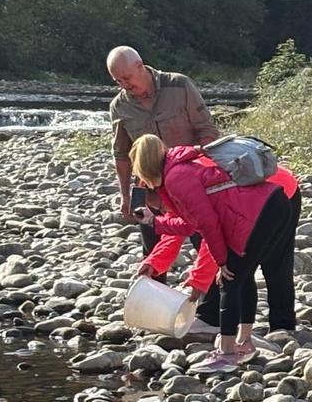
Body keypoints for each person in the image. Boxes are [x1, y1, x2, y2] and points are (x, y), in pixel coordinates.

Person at [129, 135, 295, 374]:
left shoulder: (176, 178)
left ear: (144, 167)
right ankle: (244, 343)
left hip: (262, 208)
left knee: (229, 278)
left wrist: (221, 261)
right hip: (268, 204)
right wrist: (155, 223)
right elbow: (191, 224)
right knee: (242, 275)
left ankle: (227, 354)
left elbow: (208, 224)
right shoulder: (177, 169)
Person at [107, 46, 222, 333]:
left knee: (205, 242)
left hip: (189, 181)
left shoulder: (179, 86)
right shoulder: (119, 106)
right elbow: (122, 154)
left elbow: (206, 131)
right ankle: (156, 314)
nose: (125, 85)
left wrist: (211, 177)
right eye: (117, 81)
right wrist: (125, 194)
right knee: (153, 247)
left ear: (140, 66)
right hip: (145, 185)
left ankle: (210, 316)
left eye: (126, 78)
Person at [142, 162, 301, 334]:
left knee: (268, 262)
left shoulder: (184, 186)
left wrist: (199, 281)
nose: (161, 211)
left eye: (159, 207)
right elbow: (178, 226)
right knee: (237, 269)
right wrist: (154, 263)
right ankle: (232, 328)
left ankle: (281, 328)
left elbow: (213, 234)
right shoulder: (170, 186)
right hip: (252, 194)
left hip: (278, 192)